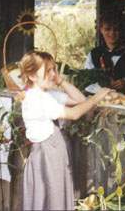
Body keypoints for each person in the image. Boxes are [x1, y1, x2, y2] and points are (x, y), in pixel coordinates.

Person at [20, 51, 110, 210]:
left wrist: (61, 81)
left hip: (53, 153)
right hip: (46, 156)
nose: (53, 74)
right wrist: (96, 98)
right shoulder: (36, 98)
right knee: (51, 200)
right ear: (32, 76)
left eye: (54, 69)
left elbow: (80, 100)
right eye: (48, 71)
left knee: (56, 197)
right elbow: (74, 113)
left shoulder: (47, 94)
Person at [84, 11, 125, 94]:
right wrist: (102, 90)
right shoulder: (93, 54)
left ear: (121, 30)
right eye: (107, 29)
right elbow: (87, 82)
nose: (112, 33)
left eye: (116, 29)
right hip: (101, 101)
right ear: (101, 30)